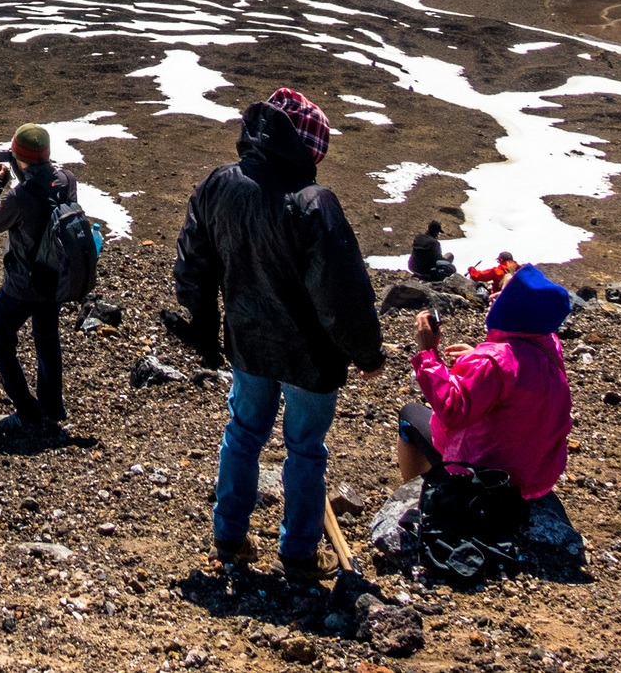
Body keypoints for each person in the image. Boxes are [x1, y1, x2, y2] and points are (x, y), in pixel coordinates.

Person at [172, 87, 385, 584]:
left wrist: (203, 323)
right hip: (310, 357)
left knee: (243, 436)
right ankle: (298, 554)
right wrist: (367, 353)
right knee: (306, 449)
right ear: (308, 147)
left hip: (247, 341)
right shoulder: (314, 203)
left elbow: (193, 262)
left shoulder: (221, 183)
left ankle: (229, 536)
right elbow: (341, 294)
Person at [394, 264, 575, 502]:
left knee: (409, 416)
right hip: (535, 475)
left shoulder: (494, 361)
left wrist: (428, 352)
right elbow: (519, 377)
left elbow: (452, 410)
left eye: (503, 294)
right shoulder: (548, 343)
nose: (493, 296)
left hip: (486, 478)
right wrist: (475, 356)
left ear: (518, 307)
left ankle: (420, 501)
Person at [0, 123, 82, 439]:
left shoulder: (19, 196)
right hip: (55, 279)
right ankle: (52, 408)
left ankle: (28, 413)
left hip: (23, 285)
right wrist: (24, 171)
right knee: (47, 338)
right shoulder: (67, 180)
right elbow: (46, 199)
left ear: (18, 158)